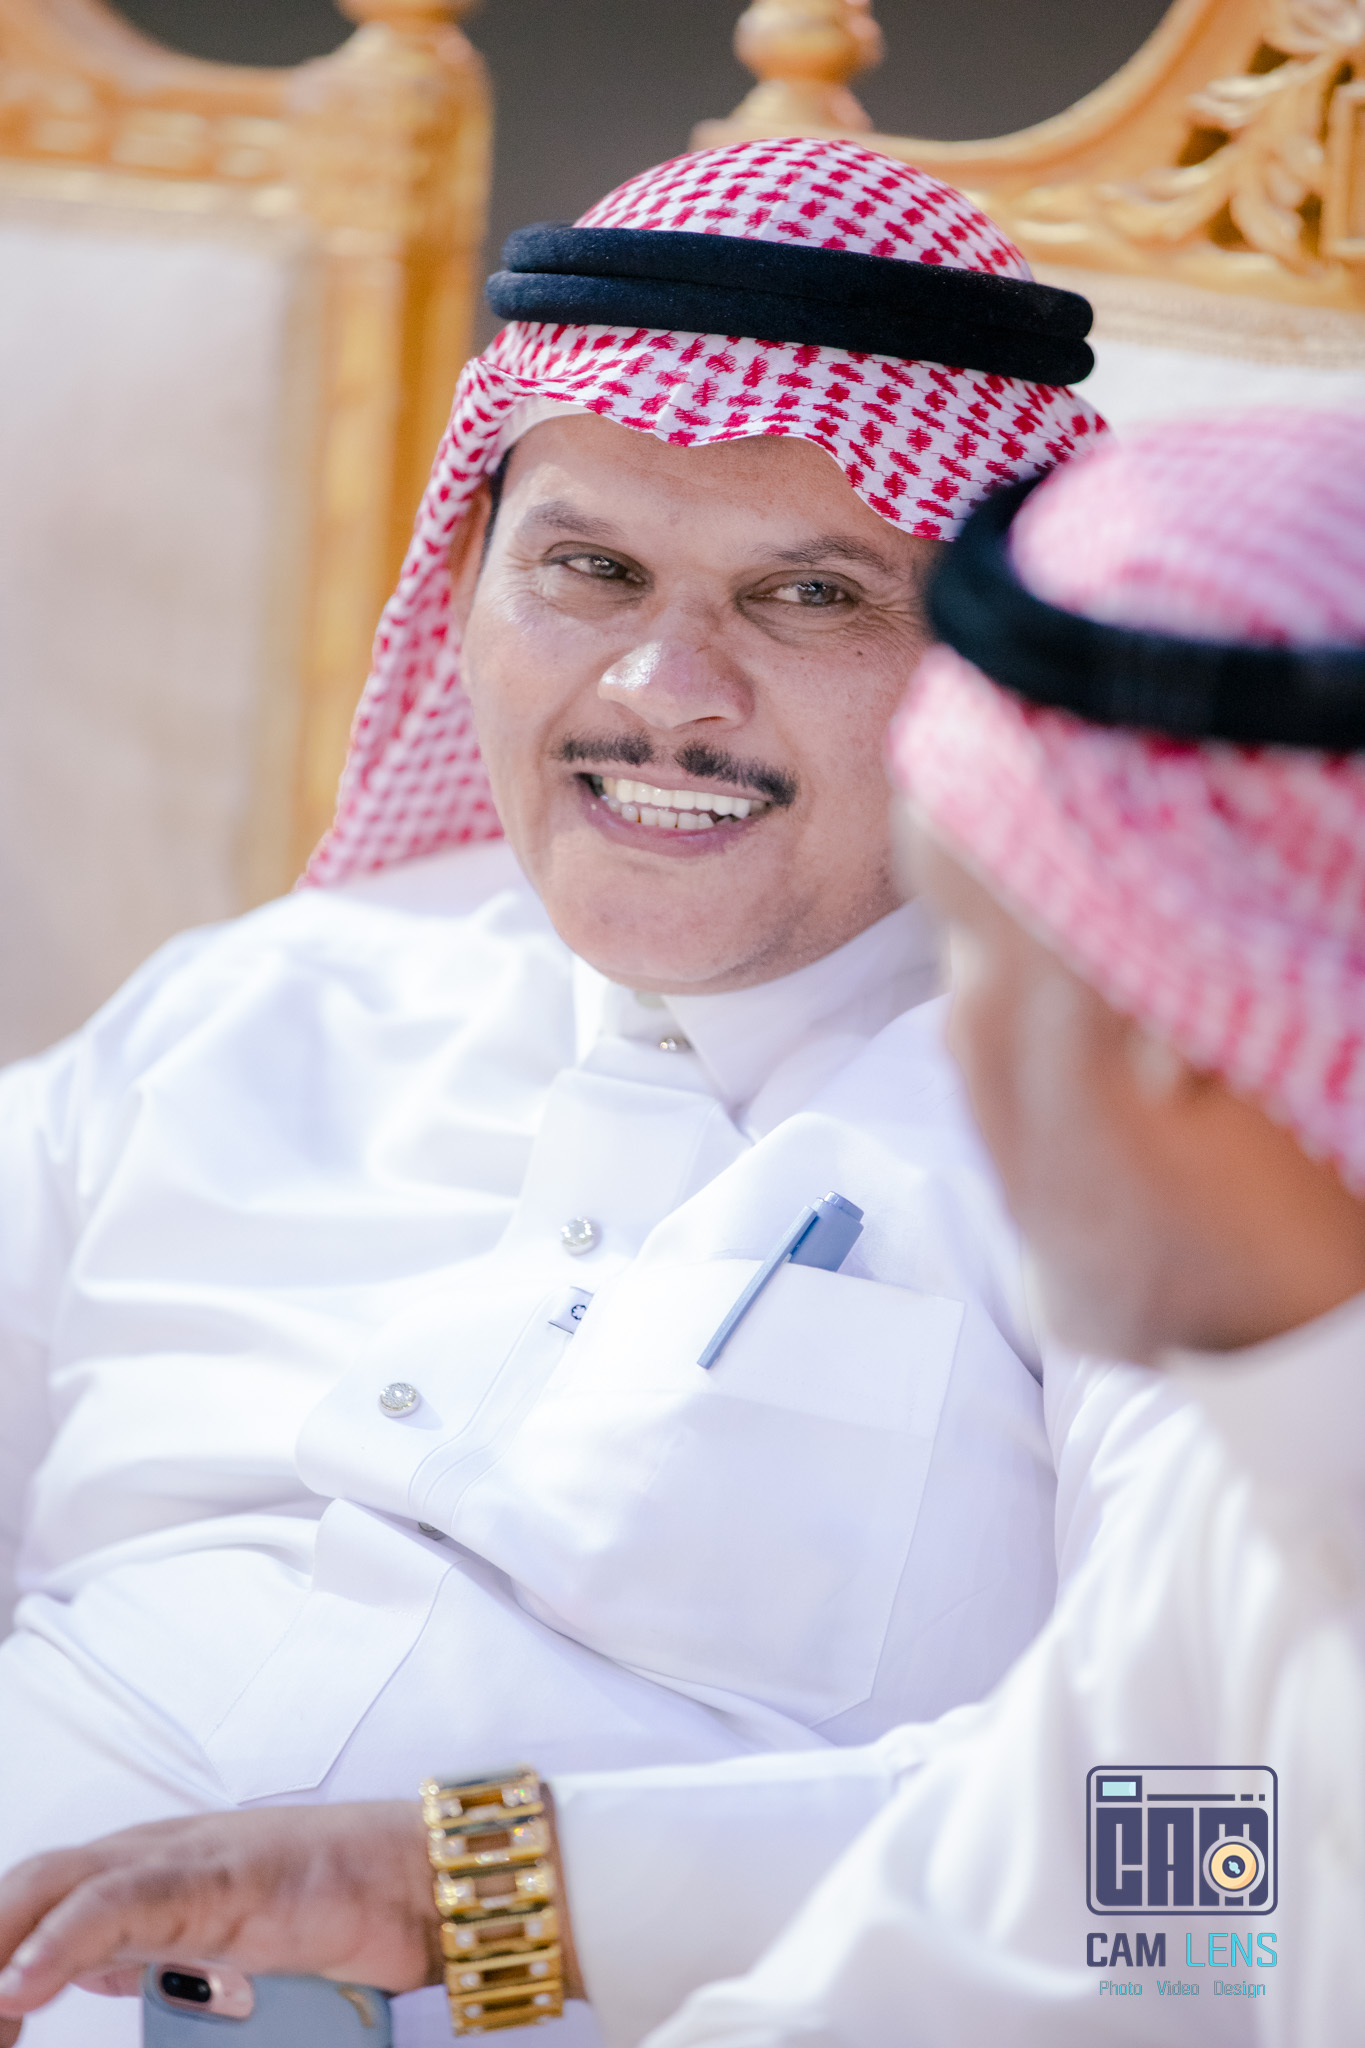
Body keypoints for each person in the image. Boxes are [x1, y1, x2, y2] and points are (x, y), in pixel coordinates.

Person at [5, 406, 1360, 2048]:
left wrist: (453, 1899)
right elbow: (1085, 1880)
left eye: (813, 595)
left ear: (1187, 1022)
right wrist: (440, 1891)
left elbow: (1173, 1907)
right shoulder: (256, 1000)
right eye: (589, 569)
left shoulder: (1224, 1389)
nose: (663, 690)